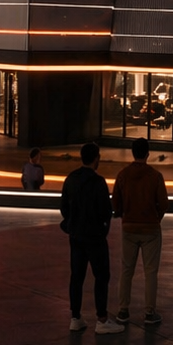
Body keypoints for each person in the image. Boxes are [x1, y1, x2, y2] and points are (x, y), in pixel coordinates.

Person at [59, 142, 124, 334]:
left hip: (76, 235)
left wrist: (72, 223)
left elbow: (64, 208)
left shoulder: (71, 179)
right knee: (101, 276)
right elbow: (105, 210)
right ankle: (102, 319)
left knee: (76, 277)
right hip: (95, 237)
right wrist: (103, 229)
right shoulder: (98, 182)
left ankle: (75, 317)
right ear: (96, 158)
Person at [113, 137, 169, 325]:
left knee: (126, 270)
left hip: (129, 227)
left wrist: (124, 215)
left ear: (132, 152)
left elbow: (116, 204)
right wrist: (156, 217)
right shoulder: (155, 176)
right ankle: (149, 312)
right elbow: (164, 204)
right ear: (147, 154)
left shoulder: (122, 175)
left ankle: (123, 310)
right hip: (151, 229)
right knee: (150, 271)